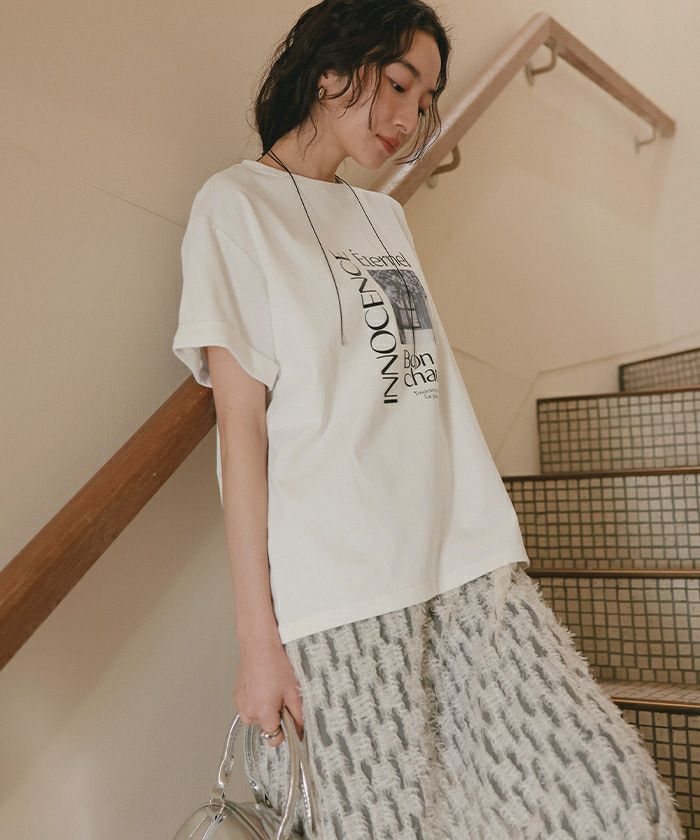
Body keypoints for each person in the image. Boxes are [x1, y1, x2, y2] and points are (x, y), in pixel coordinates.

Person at [172, 1, 684, 837]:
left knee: (615, 797)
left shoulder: (385, 216)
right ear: (330, 68)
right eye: (398, 83)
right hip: (341, 591)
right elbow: (241, 429)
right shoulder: (234, 207)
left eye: (426, 97)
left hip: (463, 557)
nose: (410, 117)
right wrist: (258, 641)